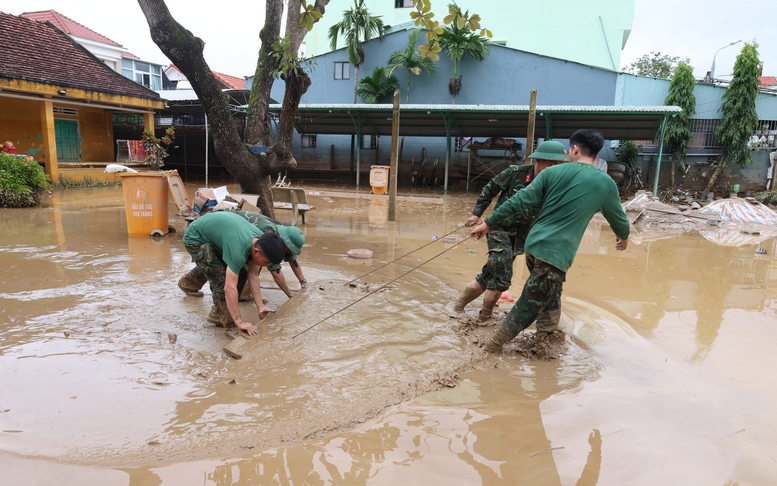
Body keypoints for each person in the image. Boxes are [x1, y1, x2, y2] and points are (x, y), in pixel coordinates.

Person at [470, 129, 631, 352]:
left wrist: (488, 222)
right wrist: (623, 237)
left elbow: (519, 200)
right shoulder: (605, 183)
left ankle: (545, 340)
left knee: (551, 294)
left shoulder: (551, 173)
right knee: (529, 305)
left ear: (575, 149)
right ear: (596, 154)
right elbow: (619, 219)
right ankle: (490, 348)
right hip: (556, 254)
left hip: (533, 246)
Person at [454, 141, 568, 325]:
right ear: (539, 160)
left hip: (522, 236)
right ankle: (484, 319)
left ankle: (457, 308)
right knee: (502, 277)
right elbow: (489, 189)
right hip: (498, 228)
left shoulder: (555, 185)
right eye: (552, 164)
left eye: (559, 165)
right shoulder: (515, 173)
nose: (556, 169)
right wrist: (476, 214)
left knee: (489, 274)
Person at [180, 210, 285, 335]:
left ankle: (189, 283)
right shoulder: (239, 249)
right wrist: (239, 322)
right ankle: (226, 322)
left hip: (219, 234)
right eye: (266, 262)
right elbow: (229, 288)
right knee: (220, 276)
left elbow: (253, 275)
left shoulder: (260, 241)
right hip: (196, 237)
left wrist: (260, 306)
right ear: (256, 251)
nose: (266, 266)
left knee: (240, 272)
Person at [179, 210, 307, 301]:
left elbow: (292, 259)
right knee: (219, 267)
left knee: (242, 266)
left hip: (234, 233)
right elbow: (275, 271)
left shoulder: (284, 236)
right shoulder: (268, 236)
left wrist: (303, 282)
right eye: (288, 249)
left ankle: (239, 296)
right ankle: (189, 284)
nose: (288, 252)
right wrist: (290, 295)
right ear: (285, 243)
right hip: (221, 228)